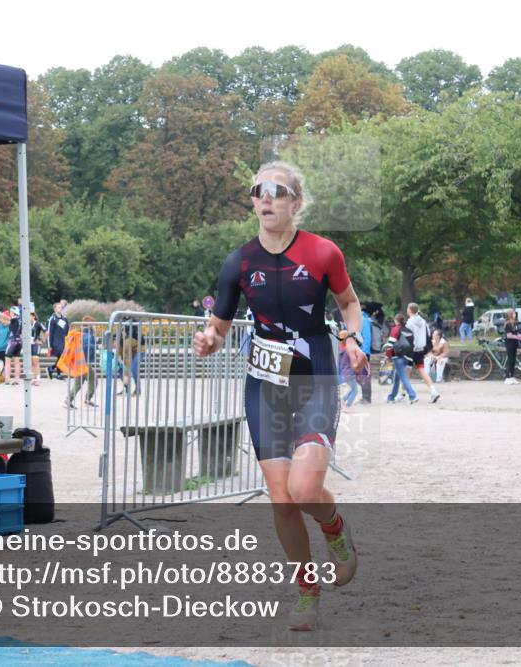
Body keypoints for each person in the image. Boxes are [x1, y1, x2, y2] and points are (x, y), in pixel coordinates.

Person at [193, 161, 361, 632]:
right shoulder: (239, 262)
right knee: (282, 500)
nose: (266, 199)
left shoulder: (323, 253)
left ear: (295, 202)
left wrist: (352, 338)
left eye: (277, 191)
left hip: (315, 382)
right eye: (258, 191)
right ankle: (307, 591)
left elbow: (349, 303)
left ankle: (336, 531)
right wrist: (209, 339)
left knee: (306, 490)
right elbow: (220, 326)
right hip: (264, 386)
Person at [406, 303, 441, 403]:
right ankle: (433, 390)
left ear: (409, 310)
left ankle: (406, 394)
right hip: (420, 349)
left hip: (411, 350)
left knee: (407, 371)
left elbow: (408, 337)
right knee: (422, 370)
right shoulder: (423, 321)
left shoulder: (409, 322)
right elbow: (428, 334)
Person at [66, 316, 99, 408]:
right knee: (89, 381)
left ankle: (73, 399)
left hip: (81, 362)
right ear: (90, 325)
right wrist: (96, 346)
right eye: (94, 324)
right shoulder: (88, 335)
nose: (95, 326)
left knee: (83, 381)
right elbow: (86, 346)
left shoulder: (83, 333)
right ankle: (72, 400)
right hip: (84, 362)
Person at [386, 313, 417, 403]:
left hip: (398, 356)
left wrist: (387, 355)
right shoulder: (409, 330)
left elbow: (390, 344)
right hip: (407, 357)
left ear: (396, 321)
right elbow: (411, 345)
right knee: (397, 377)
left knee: (403, 376)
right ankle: (391, 397)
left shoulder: (395, 329)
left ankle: (412, 396)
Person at [47, 302, 68, 380]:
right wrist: (49, 345)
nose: (60, 309)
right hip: (55, 342)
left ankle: (51, 368)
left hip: (63, 342)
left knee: (61, 358)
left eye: (61, 307)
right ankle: (58, 374)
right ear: (55, 309)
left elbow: (67, 330)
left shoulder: (64, 318)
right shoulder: (52, 319)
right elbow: (49, 332)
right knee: (61, 357)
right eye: (58, 307)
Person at [357, 304, 374, 404]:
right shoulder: (361, 319)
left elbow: (367, 337)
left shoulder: (363, 320)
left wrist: (364, 352)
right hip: (362, 351)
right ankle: (365, 397)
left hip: (363, 352)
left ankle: (367, 398)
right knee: (362, 375)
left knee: (365, 375)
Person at [503, 308, 521, 384]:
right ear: (510, 315)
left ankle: (512, 376)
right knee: (510, 360)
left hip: (514, 343)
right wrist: (517, 337)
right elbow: (509, 335)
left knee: (513, 360)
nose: (515, 315)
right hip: (509, 344)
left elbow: (516, 333)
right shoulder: (507, 324)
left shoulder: (514, 324)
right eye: (513, 313)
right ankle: (507, 377)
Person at [0, 311, 12, 384]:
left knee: (2, 364)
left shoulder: (9, 327)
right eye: (0, 318)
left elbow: (9, 338)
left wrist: (4, 345)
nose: (0, 319)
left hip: (3, 349)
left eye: (2, 318)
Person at [4, 307, 23, 385]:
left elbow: (4, 317)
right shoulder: (20, 320)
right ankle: (17, 380)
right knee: (17, 362)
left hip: (12, 341)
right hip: (19, 341)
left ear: (14, 312)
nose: (10, 313)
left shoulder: (14, 319)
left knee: (7, 361)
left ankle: (7, 379)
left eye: (11, 312)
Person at [30, 311, 45, 386]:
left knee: (36, 362)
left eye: (30, 316)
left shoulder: (38, 323)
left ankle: (38, 379)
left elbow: (46, 331)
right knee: (31, 362)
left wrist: (42, 341)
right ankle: (33, 378)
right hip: (30, 344)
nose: (28, 318)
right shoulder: (27, 324)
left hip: (36, 344)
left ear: (33, 316)